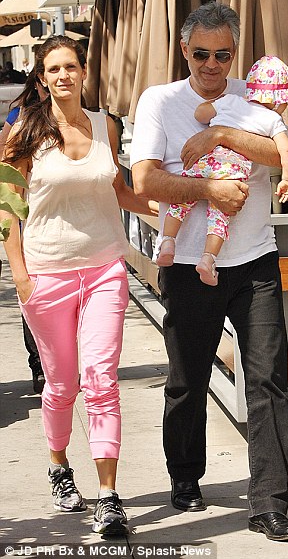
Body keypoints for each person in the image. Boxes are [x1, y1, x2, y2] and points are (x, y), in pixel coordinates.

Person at [131, 1, 288, 543]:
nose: (211, 64)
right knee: (187, 379)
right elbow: (144, 181)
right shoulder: (159, 100)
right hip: (186, 264)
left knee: (269, 381)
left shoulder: (250, 103)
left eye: (222, 55)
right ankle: (185, 475)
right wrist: (207, 188)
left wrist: (222, 137)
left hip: (253, 261)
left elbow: (279, 154)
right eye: (201, 53)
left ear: (234, 54)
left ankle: (271, 502)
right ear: (185, 50)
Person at [1, 35, 158, 536]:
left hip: (105, 269)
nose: (64, 75)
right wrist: (21, 277)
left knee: (101, 379)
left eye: (72, 66)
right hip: (47, 274)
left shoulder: (106, 125)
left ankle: (109, 497)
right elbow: (8, 209)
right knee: (62, 384)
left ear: (84, 71)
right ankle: (58, 464)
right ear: (42, 77)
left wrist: (172, 208)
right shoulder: (22, 132)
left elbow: (120, 192)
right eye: (55, 69)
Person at [157, 55, 288, 285]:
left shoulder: (231, 101)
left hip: (205, 163)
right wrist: (287, 179)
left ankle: (168, 240)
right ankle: (208, 258)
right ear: (278, 101)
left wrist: (216, 109)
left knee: (181, 204)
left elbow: (200, 114)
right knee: (219, 217)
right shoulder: (273, 120)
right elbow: (286, 152)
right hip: (231, 174)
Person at [0, 69, 48, 394]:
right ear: (41, 77)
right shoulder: (21, 115)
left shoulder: (87, 117)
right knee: (30, 295)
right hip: (27, 217)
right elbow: (5, 157)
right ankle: (39, 367)